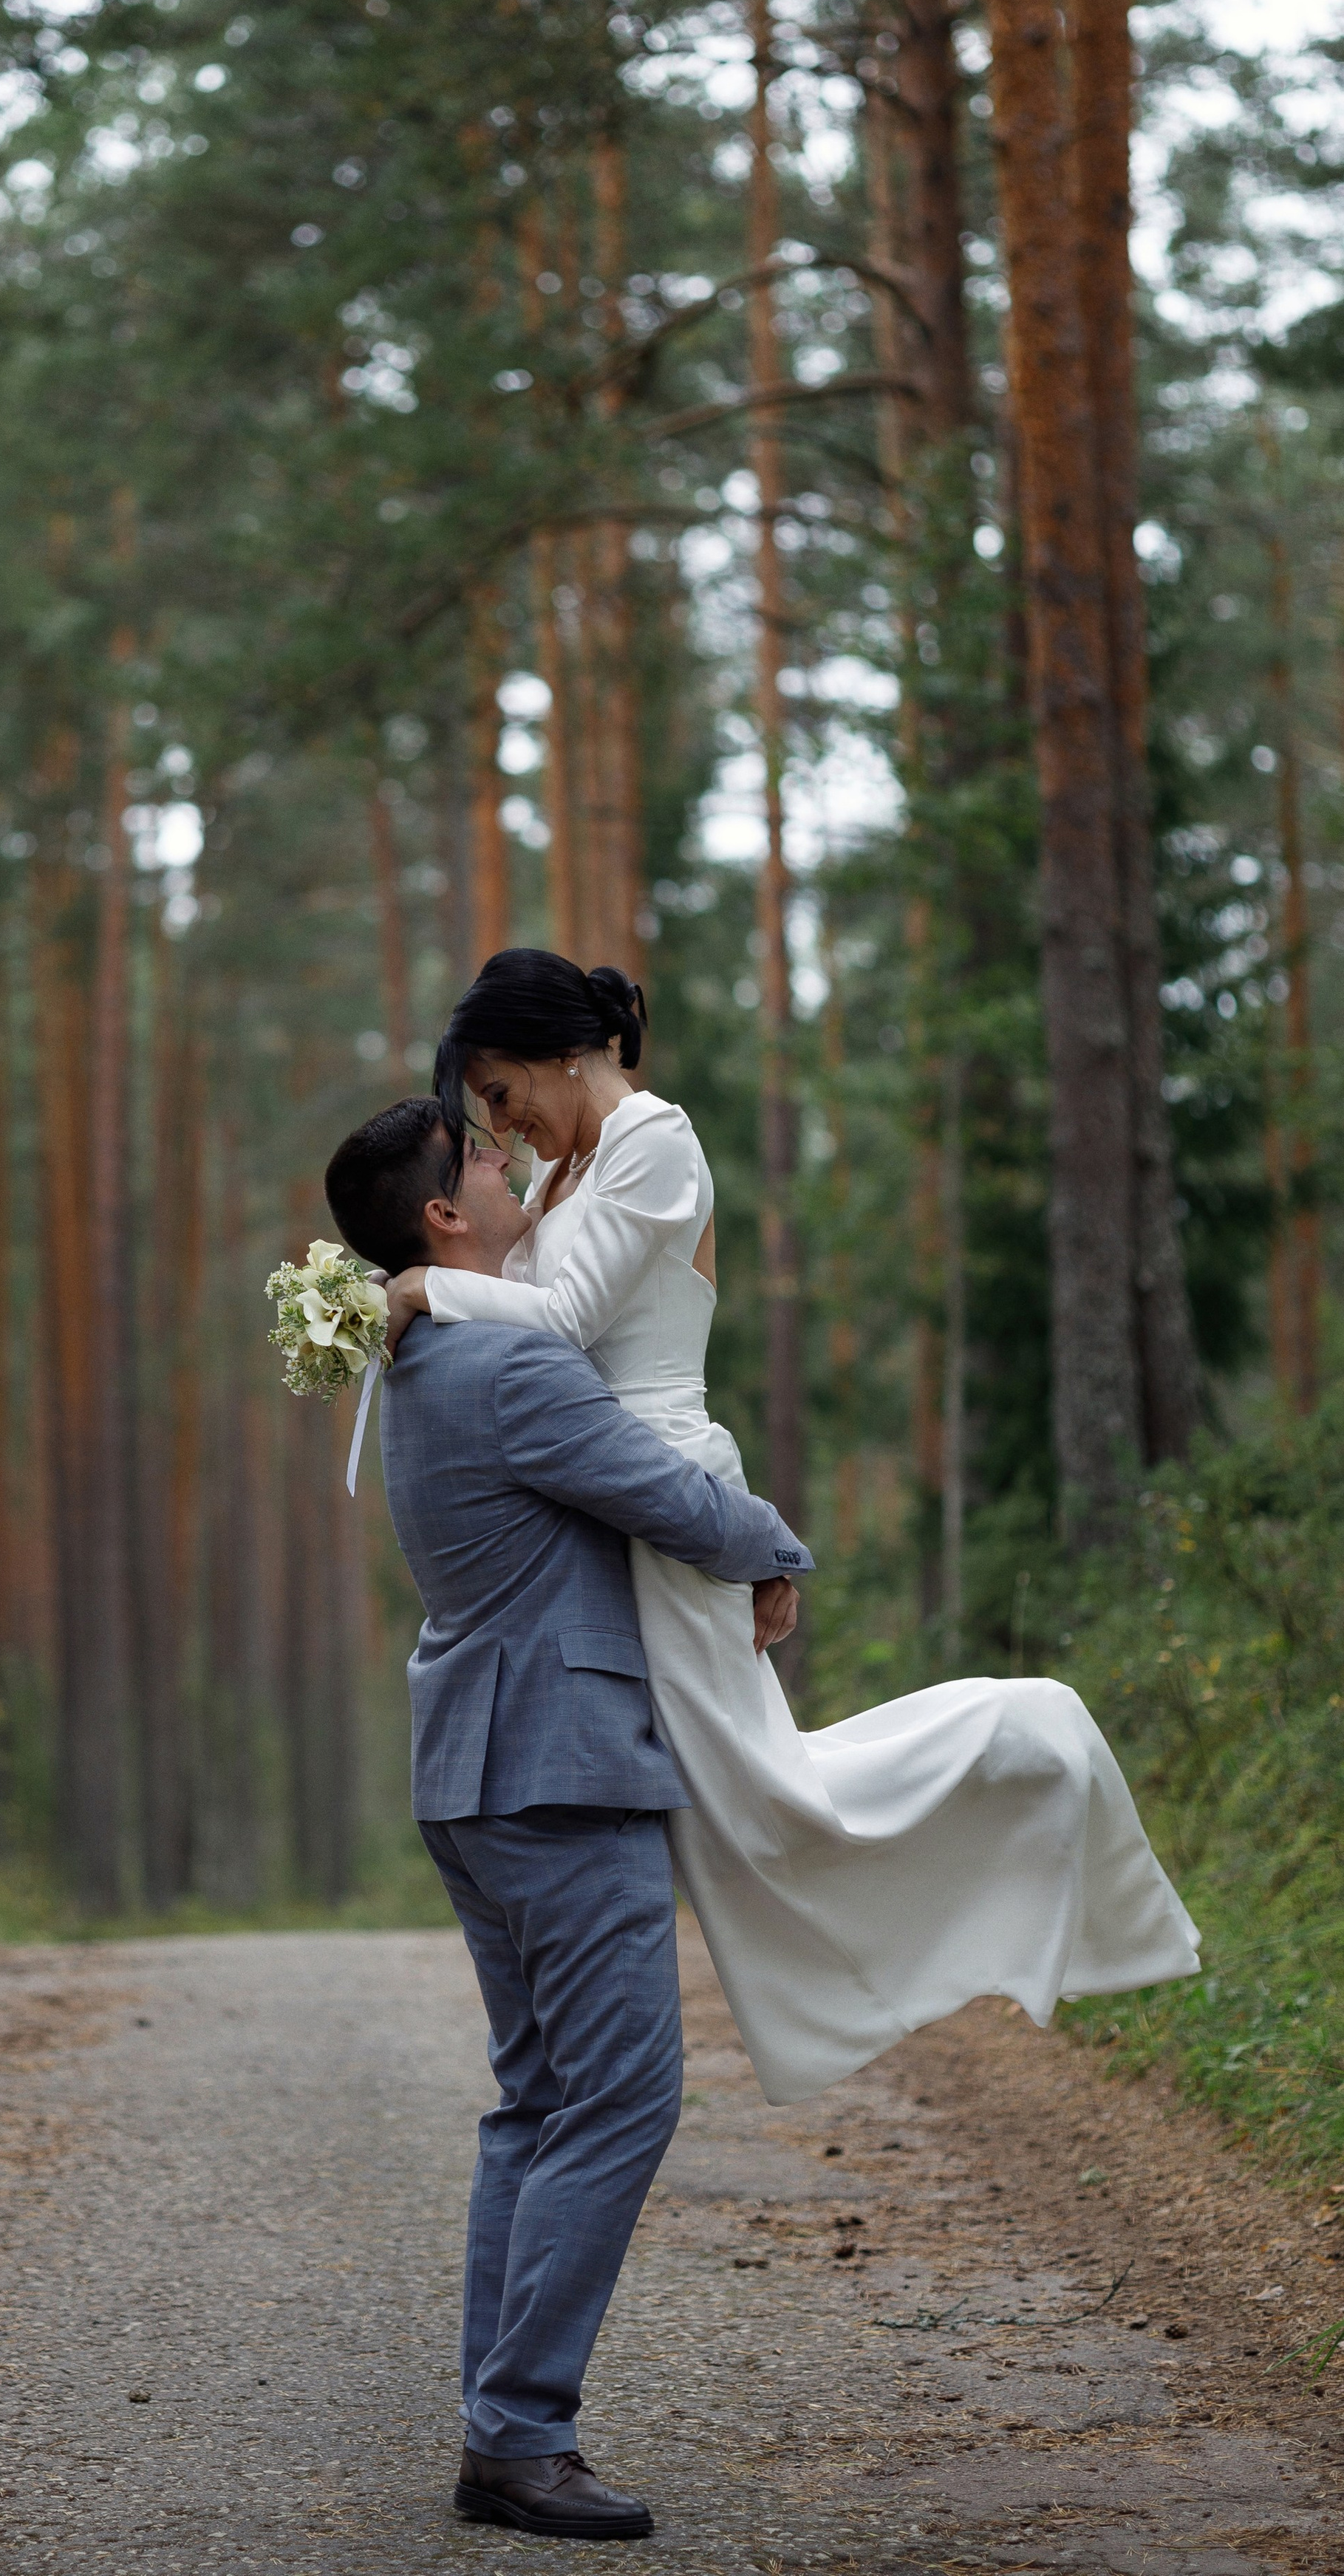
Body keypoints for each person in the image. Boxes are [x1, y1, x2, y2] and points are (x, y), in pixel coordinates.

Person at [380, 946, 1201, 2110]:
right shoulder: (571, 1174)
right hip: (610, 1496)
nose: (503, 1130)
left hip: (664, 1482)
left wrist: (422, 1286)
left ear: (567, 1053)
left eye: (504, 1095)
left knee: (764, 1804)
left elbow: (559, 1323)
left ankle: (1036, 1740)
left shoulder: (656, 1140)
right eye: (486, 1117)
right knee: (738, 1811)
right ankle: (864, 1965)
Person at [324, 1096, 813, 2541]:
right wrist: (778, 1543)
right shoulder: (499, 1361)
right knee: (615, 2099)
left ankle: (502, 2427)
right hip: (557, 1771)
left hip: (478, 1768)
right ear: (440, 1218)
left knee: (537, 2103)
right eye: (484, 1159)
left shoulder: (425, 1353)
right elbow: (661, 1494)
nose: (514, 1163)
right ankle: (519, 2435)